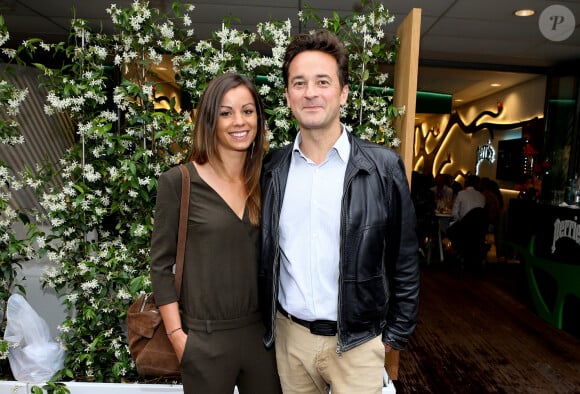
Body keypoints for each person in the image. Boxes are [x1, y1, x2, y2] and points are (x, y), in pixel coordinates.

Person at [259, 29, 420, 393]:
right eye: (299, 83)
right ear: (287, 96)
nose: (310, 92)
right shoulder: (271, 170)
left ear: (343, 92)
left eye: (322, 81)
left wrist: (395, 335)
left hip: (359, 344)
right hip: (291, 340)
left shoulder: (384, 168)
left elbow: (405, 258)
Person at [150, 73, 281, 394]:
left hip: (261, 338)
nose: (239, 121)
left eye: (248, 111)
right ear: (210, 120)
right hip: (203, 340)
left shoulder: (268, 180)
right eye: (226, 112)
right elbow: (160, 266)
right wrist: (178, 337)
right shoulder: (179, 182)